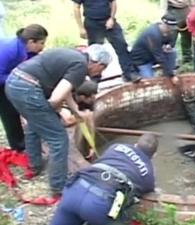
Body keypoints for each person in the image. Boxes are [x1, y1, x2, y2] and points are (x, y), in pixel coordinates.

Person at [5, 44, 112, 196]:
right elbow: (56, 98)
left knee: (33, 127)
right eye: (102, 69)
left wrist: (75, 111)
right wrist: (54, 111)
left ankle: (34, 166)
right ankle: (58, 186)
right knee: (59, 139)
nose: (99, 73)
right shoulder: (80, 67)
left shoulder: (75, 55)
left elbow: (65, 89)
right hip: (28, 89)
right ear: (98, 64)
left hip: (14, 82)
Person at [50, 134, 158, 225]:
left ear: (136, 144)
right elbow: (148, 192)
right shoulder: (148, 172)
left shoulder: (116, 146)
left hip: (75, 190)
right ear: (154, 155)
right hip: (100, 203)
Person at [0, 24, 48, 153]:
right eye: (42, 43)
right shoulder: (10, 50)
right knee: (9, 112)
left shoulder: (27, 49)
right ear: (31, 41)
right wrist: (18, 78)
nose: (43, 47)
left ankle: (27, 137)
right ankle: (18, 144)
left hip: (8, 76)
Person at [72, 0, 134, 82]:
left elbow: (113, 2)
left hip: (108, 21)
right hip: (92, 23)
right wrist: (81, 28)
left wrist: (111, 18)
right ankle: (95, 78)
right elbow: (76, 7)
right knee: (93, 54)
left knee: (121, 45)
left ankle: (129, 73)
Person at [130, 14, 179, 84]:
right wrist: (172, 76)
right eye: (169, 27)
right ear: (163, 24)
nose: (170, 30)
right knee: (150, 82)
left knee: (172, 52)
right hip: (142, 61)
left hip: (153, 56)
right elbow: (159, 57)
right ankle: (134, 72)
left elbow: (171, 42)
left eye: (172, 28)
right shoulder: (153, 34)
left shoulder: (168, 32)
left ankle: (168, 72)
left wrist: (168, 46)